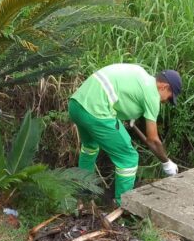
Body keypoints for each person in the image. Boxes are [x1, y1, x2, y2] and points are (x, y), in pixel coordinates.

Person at [68, 63, 182, 205]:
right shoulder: (152, 94)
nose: (165, 101)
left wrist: (129, 115)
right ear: (164, 87)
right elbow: (152, 140)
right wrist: (166, 163)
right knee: (128, 158)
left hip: (76, 105)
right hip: (96, 112)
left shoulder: (140, 73)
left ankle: (83, 193)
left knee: (90, 147)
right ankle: (123, 204)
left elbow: (121, 91)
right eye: (169, 98)